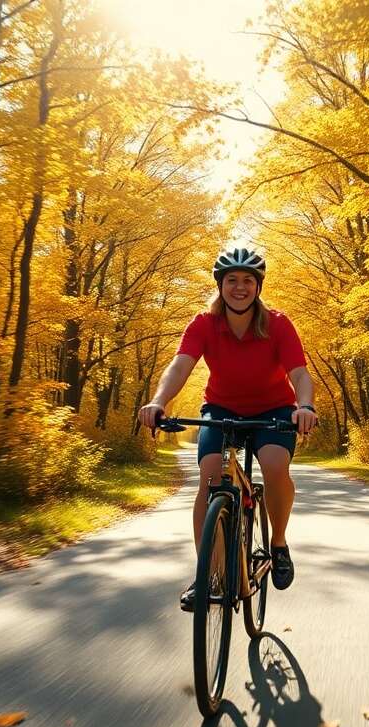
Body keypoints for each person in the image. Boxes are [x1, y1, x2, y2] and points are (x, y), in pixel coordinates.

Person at [137, 248, 318, 611]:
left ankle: (279, 543)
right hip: (221, 409)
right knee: (208, 476)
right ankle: (209, 574)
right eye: (232, 280)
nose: (240, 287)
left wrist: (305, 406)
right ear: (220, 284)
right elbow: (179, 366)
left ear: (258, 286)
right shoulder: (204, 323)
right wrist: (159, 401)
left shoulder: (277, 323)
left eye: (248, 280)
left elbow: (299, 373)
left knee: (273, 464)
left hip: (274, 411)